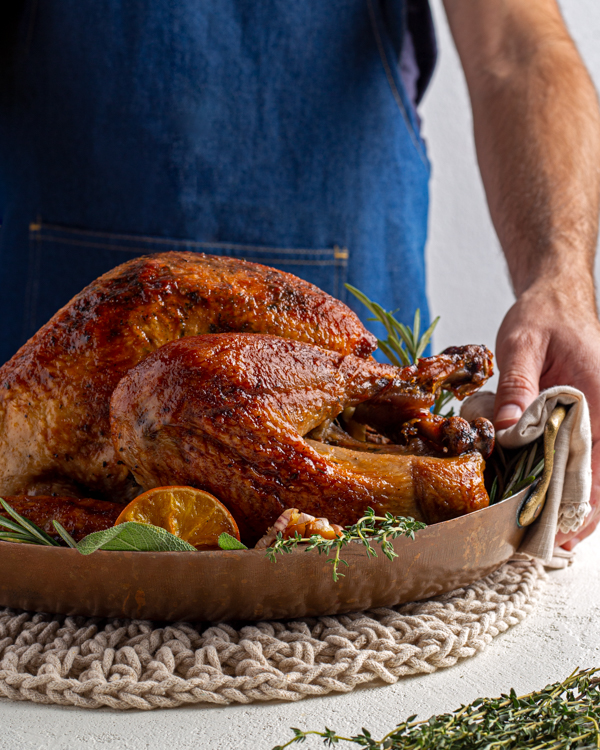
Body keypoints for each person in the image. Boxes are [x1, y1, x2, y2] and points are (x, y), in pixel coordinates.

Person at [0, 0, 598, 547]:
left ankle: (403, 419)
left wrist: (560, 281)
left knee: (167, 401)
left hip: (351, 355)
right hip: (45, 380)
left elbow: (517, 48)